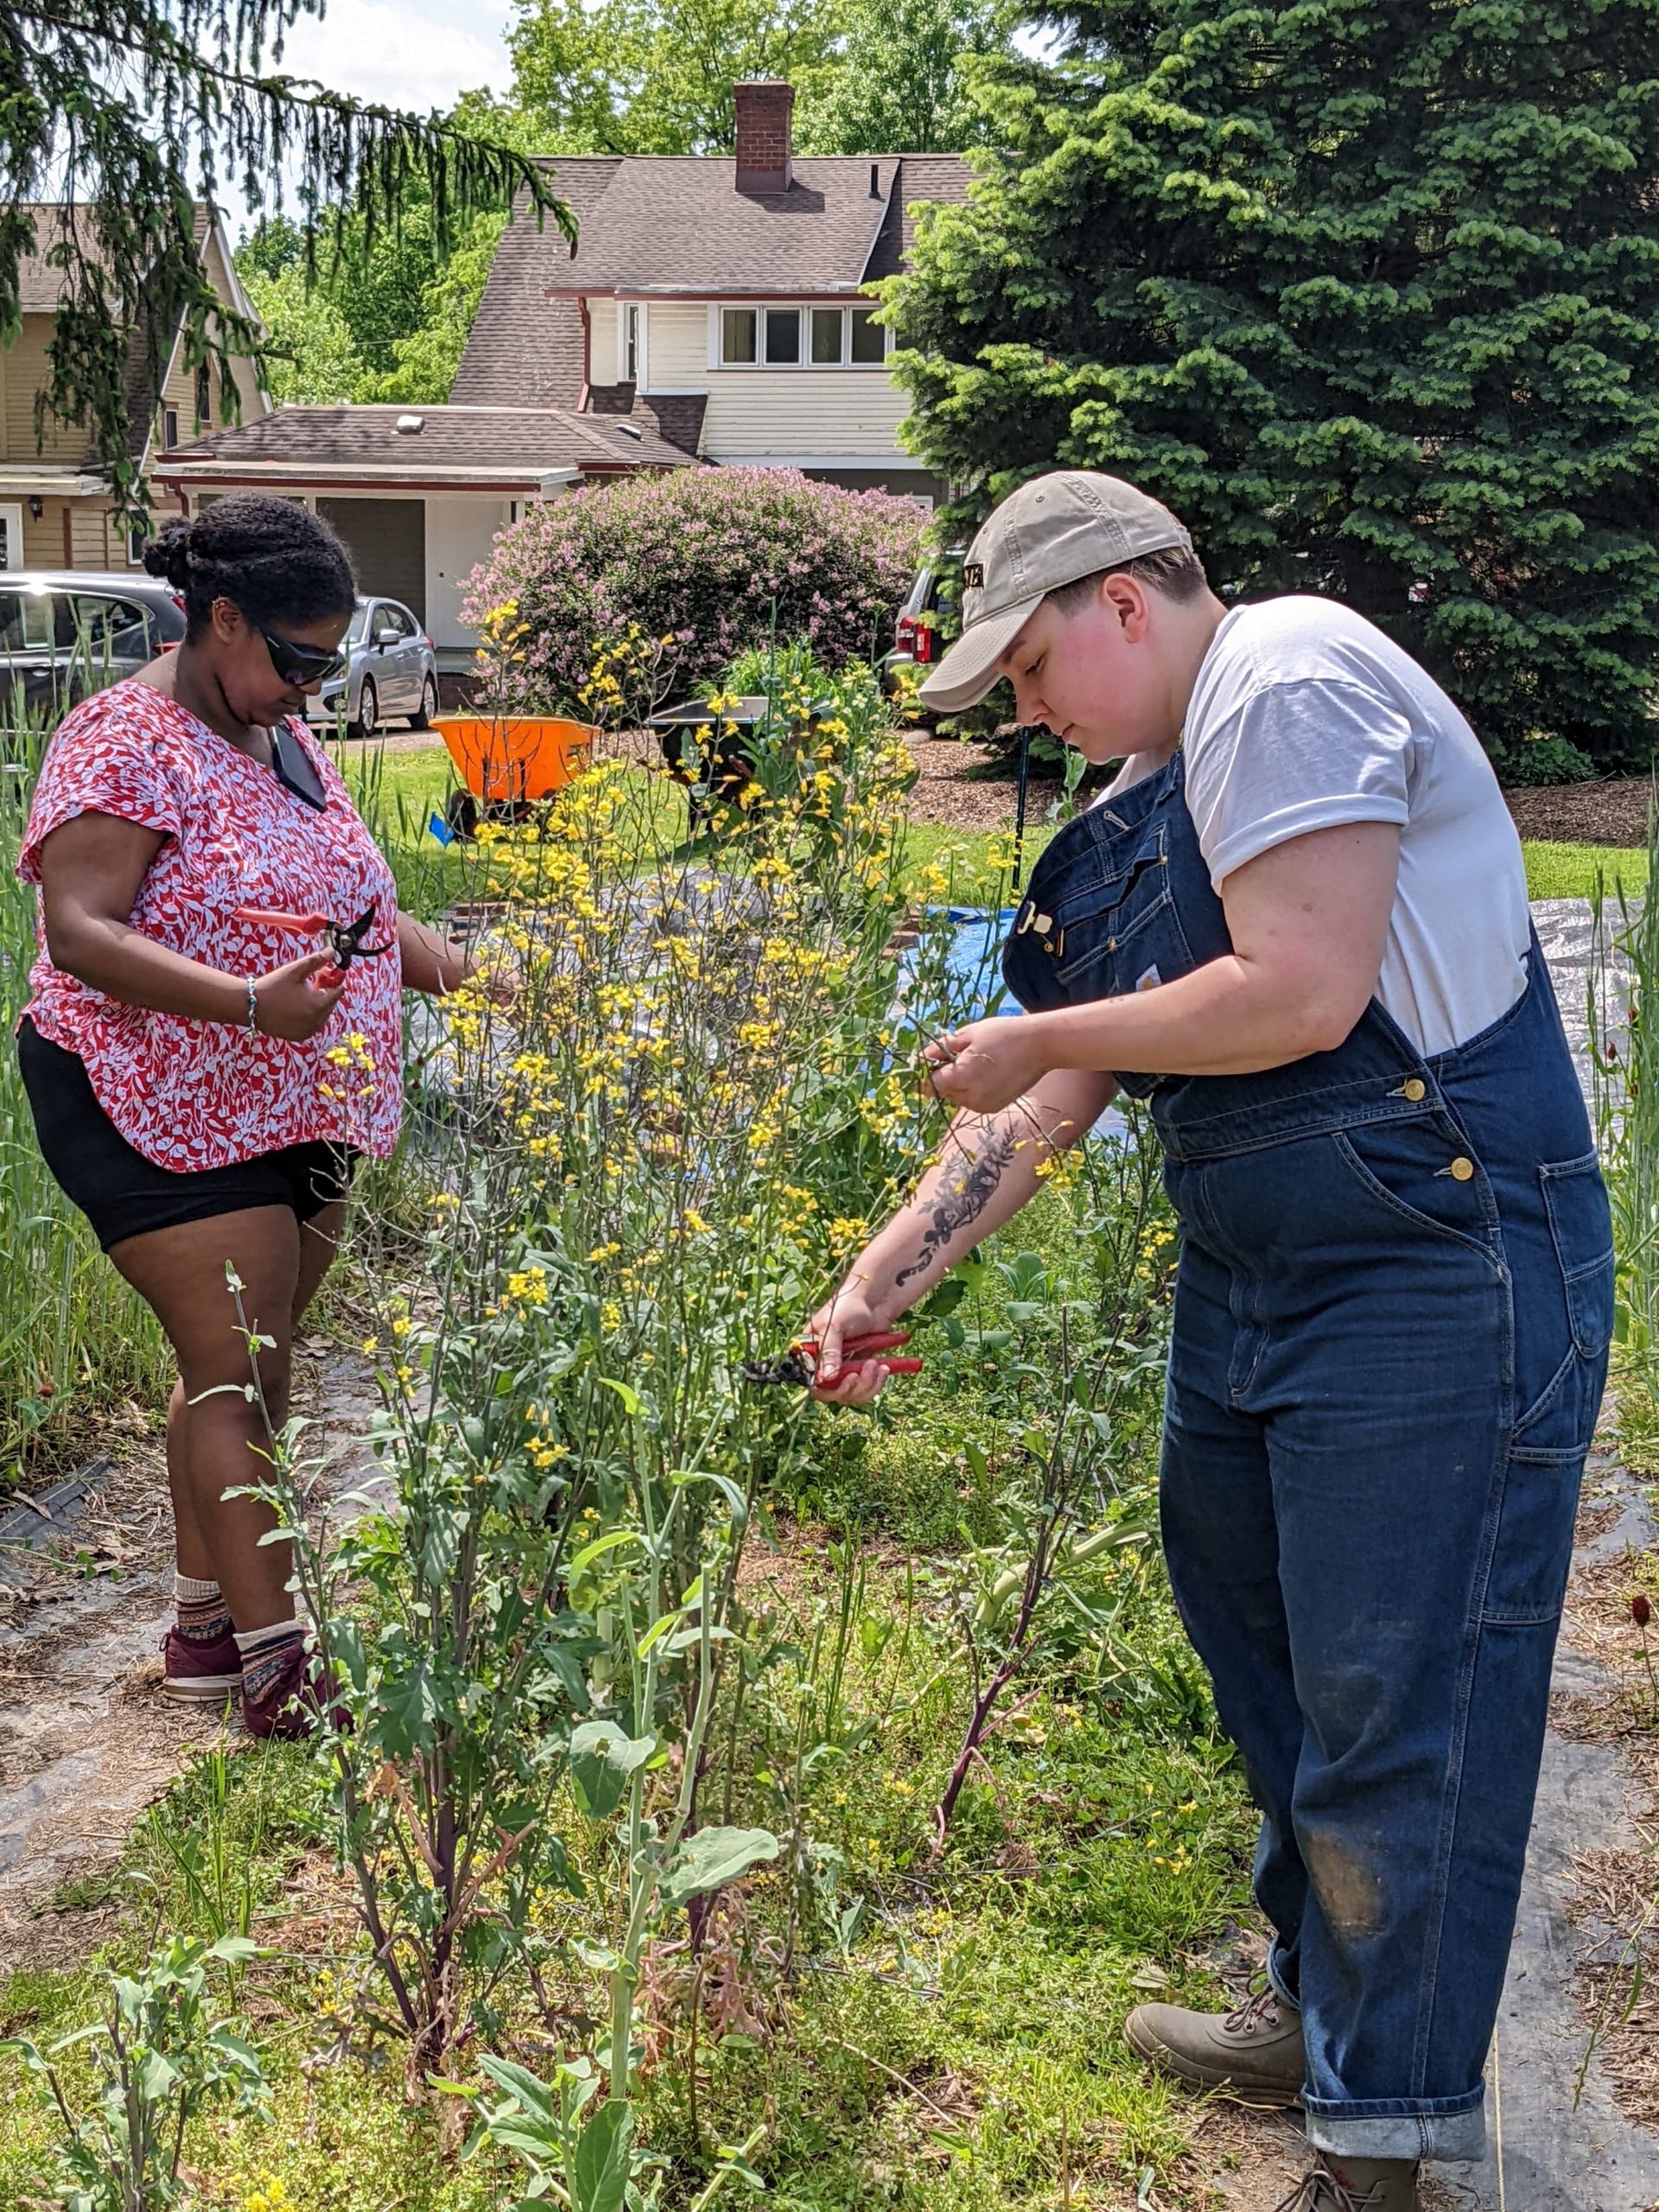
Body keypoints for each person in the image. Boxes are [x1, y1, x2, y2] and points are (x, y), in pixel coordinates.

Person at [808, 472, 1612, 2212]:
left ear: (1118, 598)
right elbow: (1060, 1092)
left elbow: (1302, 991)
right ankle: (1330, 2007)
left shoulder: (1292, 676)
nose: (1023, 712)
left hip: (1438, 1253)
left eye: (1026, 669)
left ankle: (1382, 2138)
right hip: (1273, 1267)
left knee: (1400, 1682)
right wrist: (883, 1274)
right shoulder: (1154, 785)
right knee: (1263, 1638)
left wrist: (1037, 1035)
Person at [14, 494, 486, 1739]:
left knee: (245, 1365)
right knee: (240, 1370)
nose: (316, 687)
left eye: (331, 663)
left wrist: (492, 980)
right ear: (221, 618)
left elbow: (358, 913)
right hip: (148, 1091)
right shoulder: (121, 739)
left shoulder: (281, 736)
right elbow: (79, 930)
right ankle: (283, 1670)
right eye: (300, 659)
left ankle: (203, 1631)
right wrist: (240, 1002)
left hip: (293, 1092)